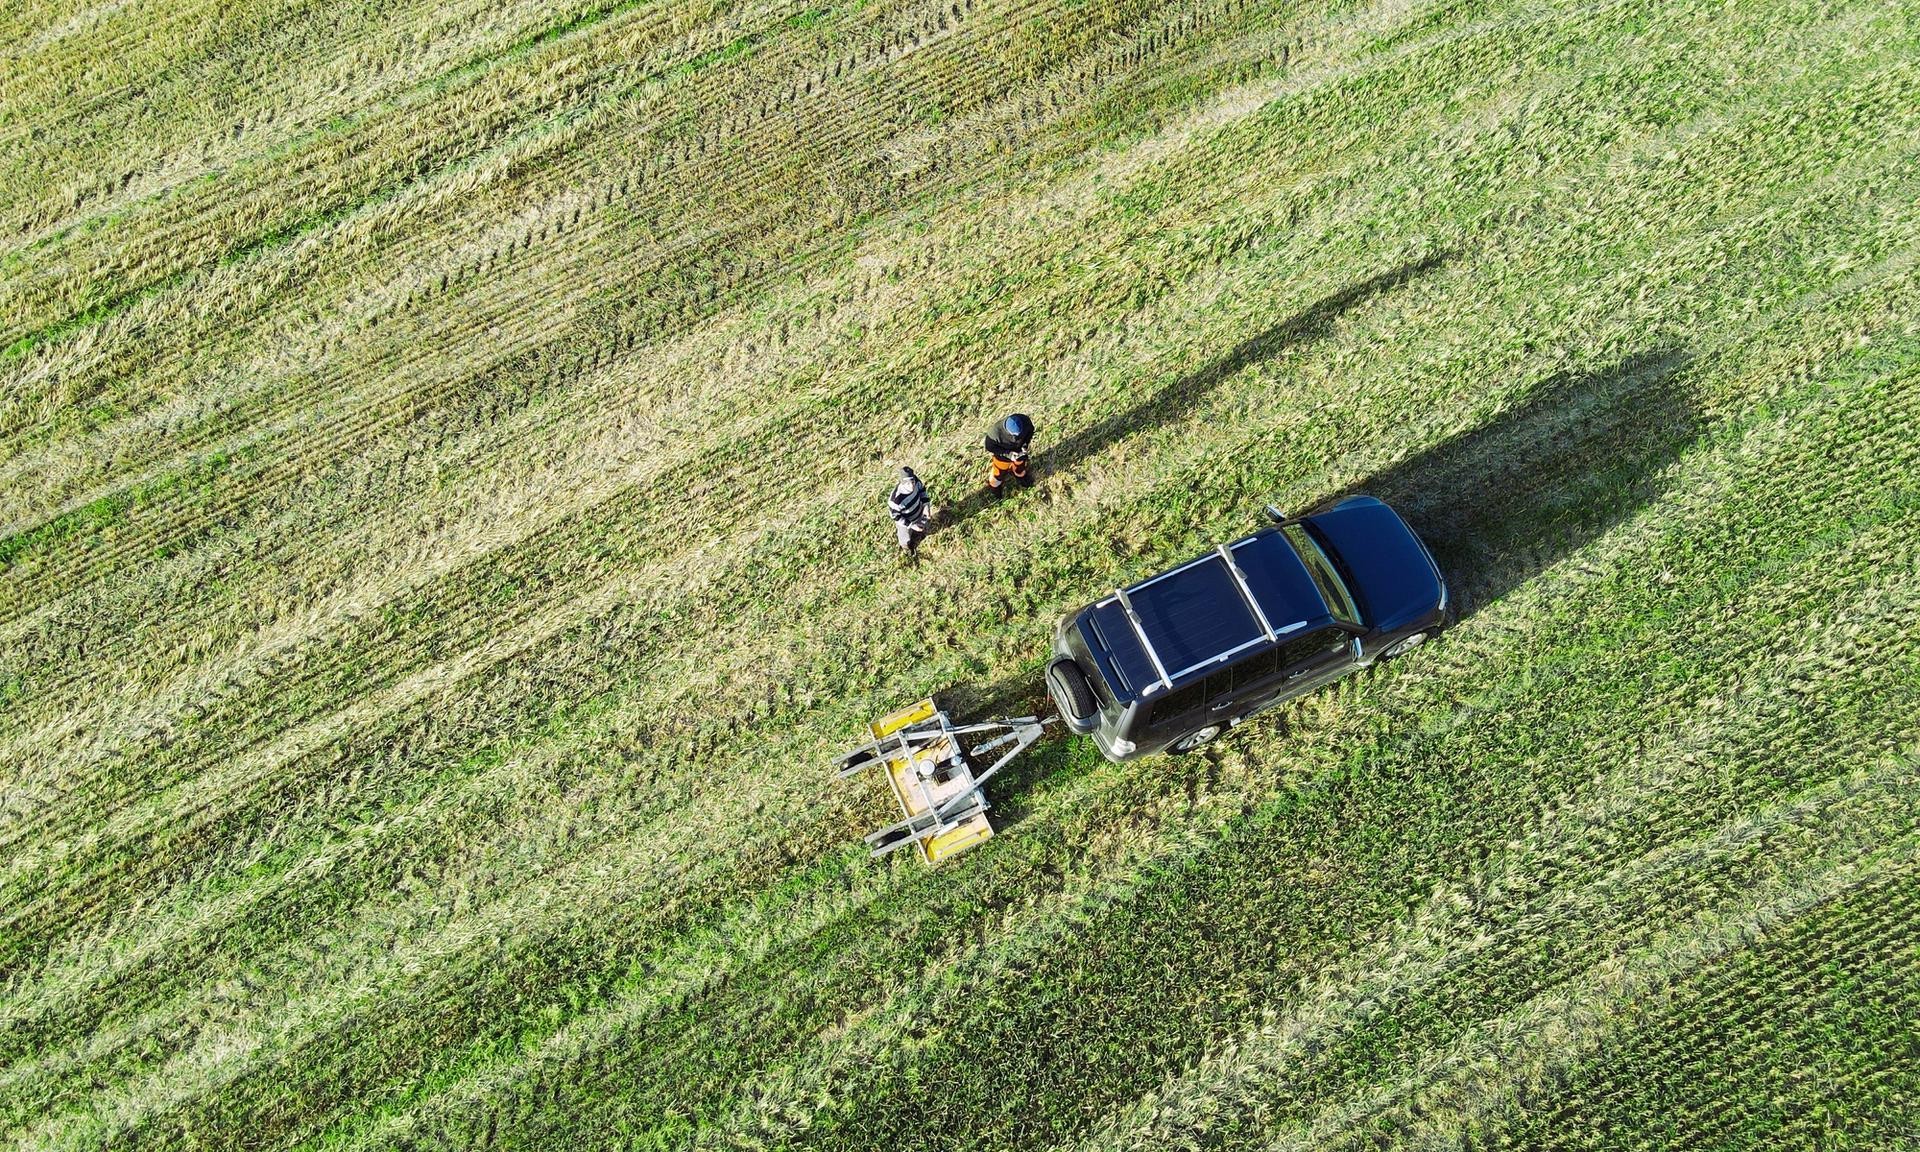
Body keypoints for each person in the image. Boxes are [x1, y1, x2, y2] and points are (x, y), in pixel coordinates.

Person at [983, 413, 1035, 497]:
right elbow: (990, 448)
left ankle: (1019, 475)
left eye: (1019, 434)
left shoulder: (1025, 421)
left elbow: (1030, 432)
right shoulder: (994, 434)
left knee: (1020, 466)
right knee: (998, 473)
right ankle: (995, 487)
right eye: (1014, 435)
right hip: (1002, 456)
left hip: (1019, 452)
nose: (1016, 438)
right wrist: (1008, 454)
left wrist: (1025, 445)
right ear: (1007, 430)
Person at [888, 466, 932, 556]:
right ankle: (907, 549)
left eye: (912, 482)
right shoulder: (896, 500)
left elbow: (922, 491)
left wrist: (926, 506)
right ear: (902, 483)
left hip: (919, 512)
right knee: (905, 538)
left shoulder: (916, 481)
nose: (912, 486)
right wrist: (911, 525)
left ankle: (920, 533)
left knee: (922, 526)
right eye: (908, 484)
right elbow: (896, 516)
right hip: (906, 523)